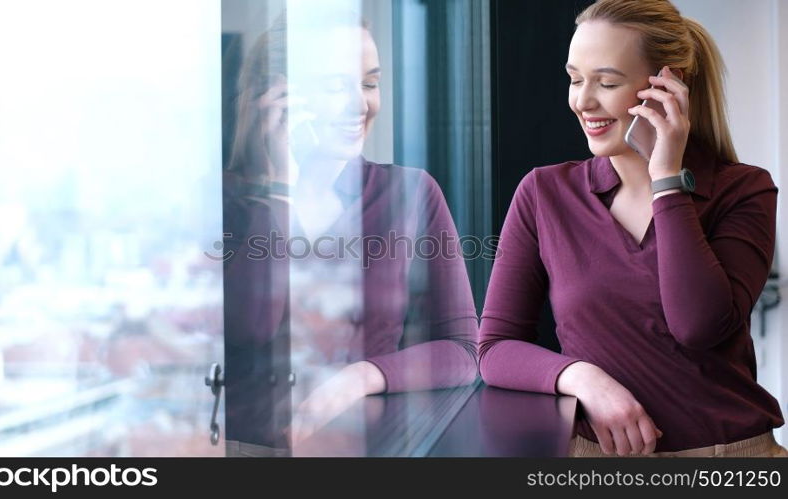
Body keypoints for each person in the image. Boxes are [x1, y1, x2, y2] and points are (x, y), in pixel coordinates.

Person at [478, 0, 787, 457]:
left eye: (606, 82)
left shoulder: (743, 189)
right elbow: (495, 348)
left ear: (668, 84)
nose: (582, 101)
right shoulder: (545, 193)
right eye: (575, 78)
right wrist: (583, 378)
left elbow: (698, 326)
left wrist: (667, 180)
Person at [222, 8, 477, 453]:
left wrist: (362, 377)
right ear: (278, 95)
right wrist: (278, 188)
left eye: (370, 83)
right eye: (337, 85)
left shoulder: (410, 192)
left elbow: (464, 351)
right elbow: (250, 325)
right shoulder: (228, 202)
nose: (361, 105)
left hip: (367, 447)